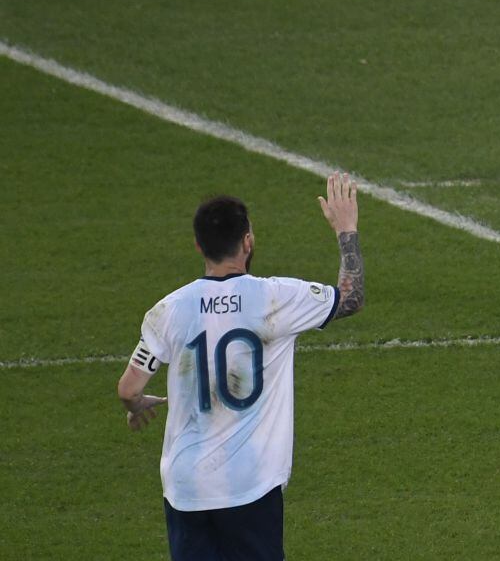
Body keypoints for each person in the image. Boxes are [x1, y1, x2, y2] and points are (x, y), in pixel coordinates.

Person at [116, 172, 365, 560]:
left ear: (199, 246)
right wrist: (345, 229)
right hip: (248, 485)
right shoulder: (274, 297)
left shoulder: (168, 309)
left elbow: (128, 389)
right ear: (247, 241)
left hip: (186, 488)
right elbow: (350, 298)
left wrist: (136, 406)